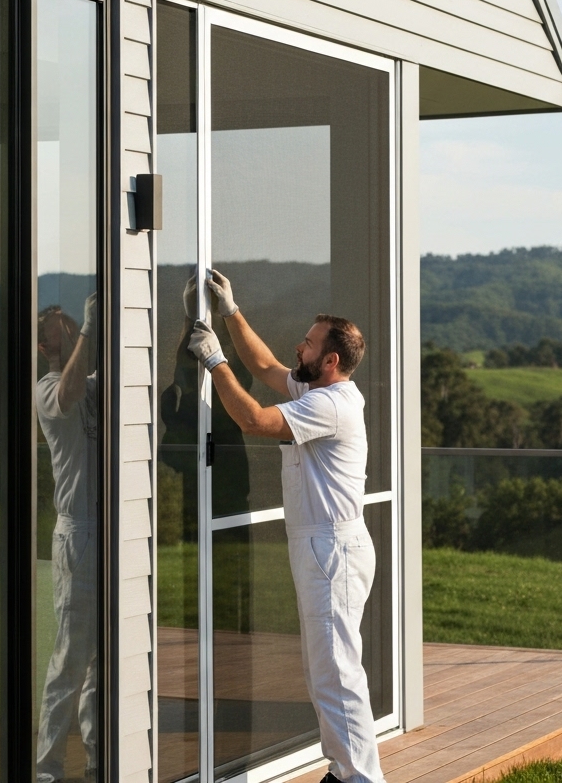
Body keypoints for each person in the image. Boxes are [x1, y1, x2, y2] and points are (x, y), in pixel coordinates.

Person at [187, 270, 385, 783]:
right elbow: (267, 365)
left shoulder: (329, 404)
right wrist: (230, 312)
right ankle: (345, 773)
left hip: (332, 549)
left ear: (331, 360)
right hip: (325, 547)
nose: (300, 346)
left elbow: (253, 419)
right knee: (329, 671)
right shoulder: (315, 388)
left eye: (310, 342)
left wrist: (214, 364)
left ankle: (359, 779)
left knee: (336, 675)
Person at [35, 295, 98, 783]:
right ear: (43, 345)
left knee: (100, 662)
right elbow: (68, 392)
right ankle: (48, 771)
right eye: (54, 326)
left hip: (107, 534)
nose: (65, 325)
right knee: (69, 660)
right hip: (77, 537)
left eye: (68, 320)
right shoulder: (48, 389)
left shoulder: (96, 384)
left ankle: (100, 762)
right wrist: (88, 330)